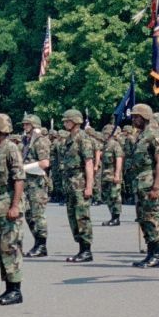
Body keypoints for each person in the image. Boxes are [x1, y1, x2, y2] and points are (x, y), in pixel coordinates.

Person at [0, 113, 26, 305]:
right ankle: (7, 287)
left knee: (9, 247)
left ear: (1, 130)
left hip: (9, 202)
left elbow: (18, 178)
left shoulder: (11, 148)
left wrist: (15, 205)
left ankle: (15, 290)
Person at [124, 103, 159, 268]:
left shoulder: (153, 134)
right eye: (133, 116)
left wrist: (156, 186)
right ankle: (150, 253)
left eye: (137, 117)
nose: (134, 119)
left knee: (151, 218)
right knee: (143, 219)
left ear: (145, 117)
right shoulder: (141, 135)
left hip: (149, 183)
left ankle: (157, 255)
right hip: (140, 183)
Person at [60, 109, 96, 262]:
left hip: (80, 182)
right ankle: (80, 247)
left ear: (75, 121)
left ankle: (86, 250)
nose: (65, 123)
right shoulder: (69, 139)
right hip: (70, 183)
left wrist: (89, 186)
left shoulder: (83, 138)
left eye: (67, 121)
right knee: (72, 217)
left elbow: (89, 163)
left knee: (82, 216)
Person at [21, 114, 53, 255]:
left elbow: (45, 163)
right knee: (28, 213)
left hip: (37, 182)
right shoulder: (27, 141)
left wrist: (24, 168)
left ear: (34, 126)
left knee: (37, 214)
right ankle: (36, 241)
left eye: (27, 124)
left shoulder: (40, 141)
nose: (24, 127)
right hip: (27, 182)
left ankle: (42, 245)